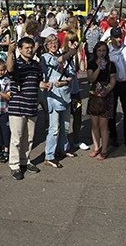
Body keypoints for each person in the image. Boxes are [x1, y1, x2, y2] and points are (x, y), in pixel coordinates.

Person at [6, 37, 44, 180]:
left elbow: (39, 80)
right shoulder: (17, 63)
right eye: (26, 48)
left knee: (29, 137)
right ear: (20, 49)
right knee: (17, 138)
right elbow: (9, 69)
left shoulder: (35, 64)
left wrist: (45, 85)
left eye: (31, 47)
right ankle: (14, 165)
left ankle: (25, 160)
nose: (29, 50)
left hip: (32, 105)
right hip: (17, 105)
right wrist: (10, 53)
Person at [40, 34, 77, 168]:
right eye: (50, 43)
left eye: (55, 42)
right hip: (52, 96)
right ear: (46, 45)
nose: (53, 45)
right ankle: (49, 155)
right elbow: (56, 62)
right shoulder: (45, 57)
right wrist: (69, 53)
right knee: (54, 127)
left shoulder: (65, 56)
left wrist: (66, 81)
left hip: (65, 94)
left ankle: (63, 148)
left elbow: (72, 73)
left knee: (66, 125)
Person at [86, 41, 116, 160]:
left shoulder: (111, 65)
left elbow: (113, 79)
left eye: (103, 50)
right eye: (99, 51)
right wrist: (99, 67)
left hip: (106, 95)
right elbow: (90, 78)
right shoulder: (91, 63)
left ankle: (104, 150)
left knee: (103, 125)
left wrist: (107, 90)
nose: (101, 53)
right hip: (94, 94)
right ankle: (96, 147)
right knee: (94, 124)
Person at [107, 27, 126, 147]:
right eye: (116, 37)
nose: (119, 39)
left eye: (120, 37)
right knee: (111, 112)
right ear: (111, 38)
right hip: (113, 85)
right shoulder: (107, 51)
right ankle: (113, 136)